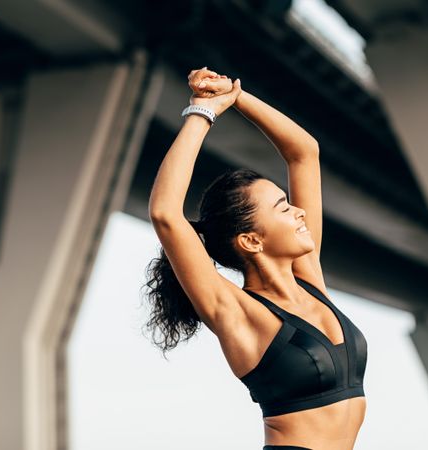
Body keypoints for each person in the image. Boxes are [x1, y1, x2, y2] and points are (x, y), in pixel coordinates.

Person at [144, 67, 368, 450]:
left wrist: (233, 96)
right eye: (283, 208)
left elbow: (303, 153)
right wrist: (202, 111)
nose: (299, 212)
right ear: (250, 240)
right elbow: (166, 213)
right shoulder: (236, 311)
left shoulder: (308, 278)